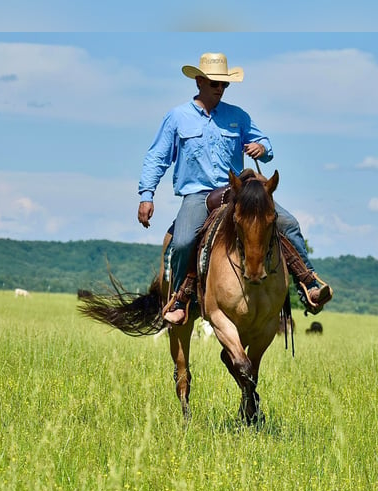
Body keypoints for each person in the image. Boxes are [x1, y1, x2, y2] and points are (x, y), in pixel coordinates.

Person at [137, 52, 332, 325]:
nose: (220, 89)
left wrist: (262, 148)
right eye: (215, 84)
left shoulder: (238, 116)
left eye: (224, 85)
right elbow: (157, 157)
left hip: (239, 190)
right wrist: (147, 195)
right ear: (199, 82)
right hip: (199, 195)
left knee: (288, 222)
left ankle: (309, 284)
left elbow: (265, 144)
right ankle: (181, 298)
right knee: (181, 242)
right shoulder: (177, 118)